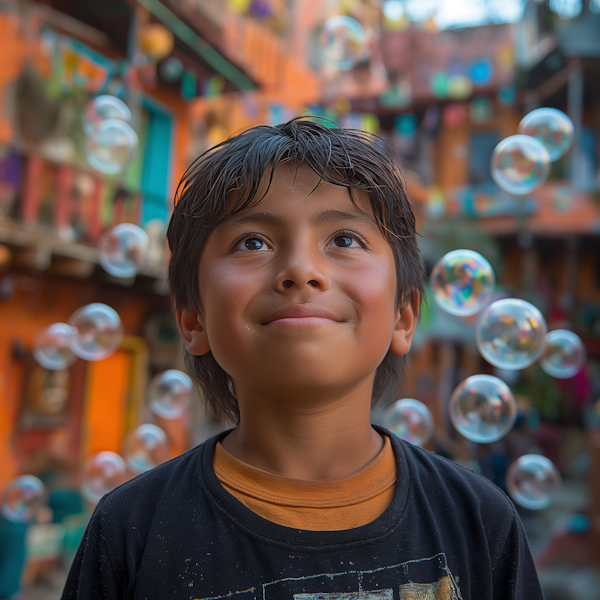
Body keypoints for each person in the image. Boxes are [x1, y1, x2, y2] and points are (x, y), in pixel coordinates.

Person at [62, 118, 543, 599]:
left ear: (403, 315)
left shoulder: (479, 520)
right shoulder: (131, 530)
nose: (301, 270)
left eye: (344, 240)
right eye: (252, 242)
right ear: (193, 320)